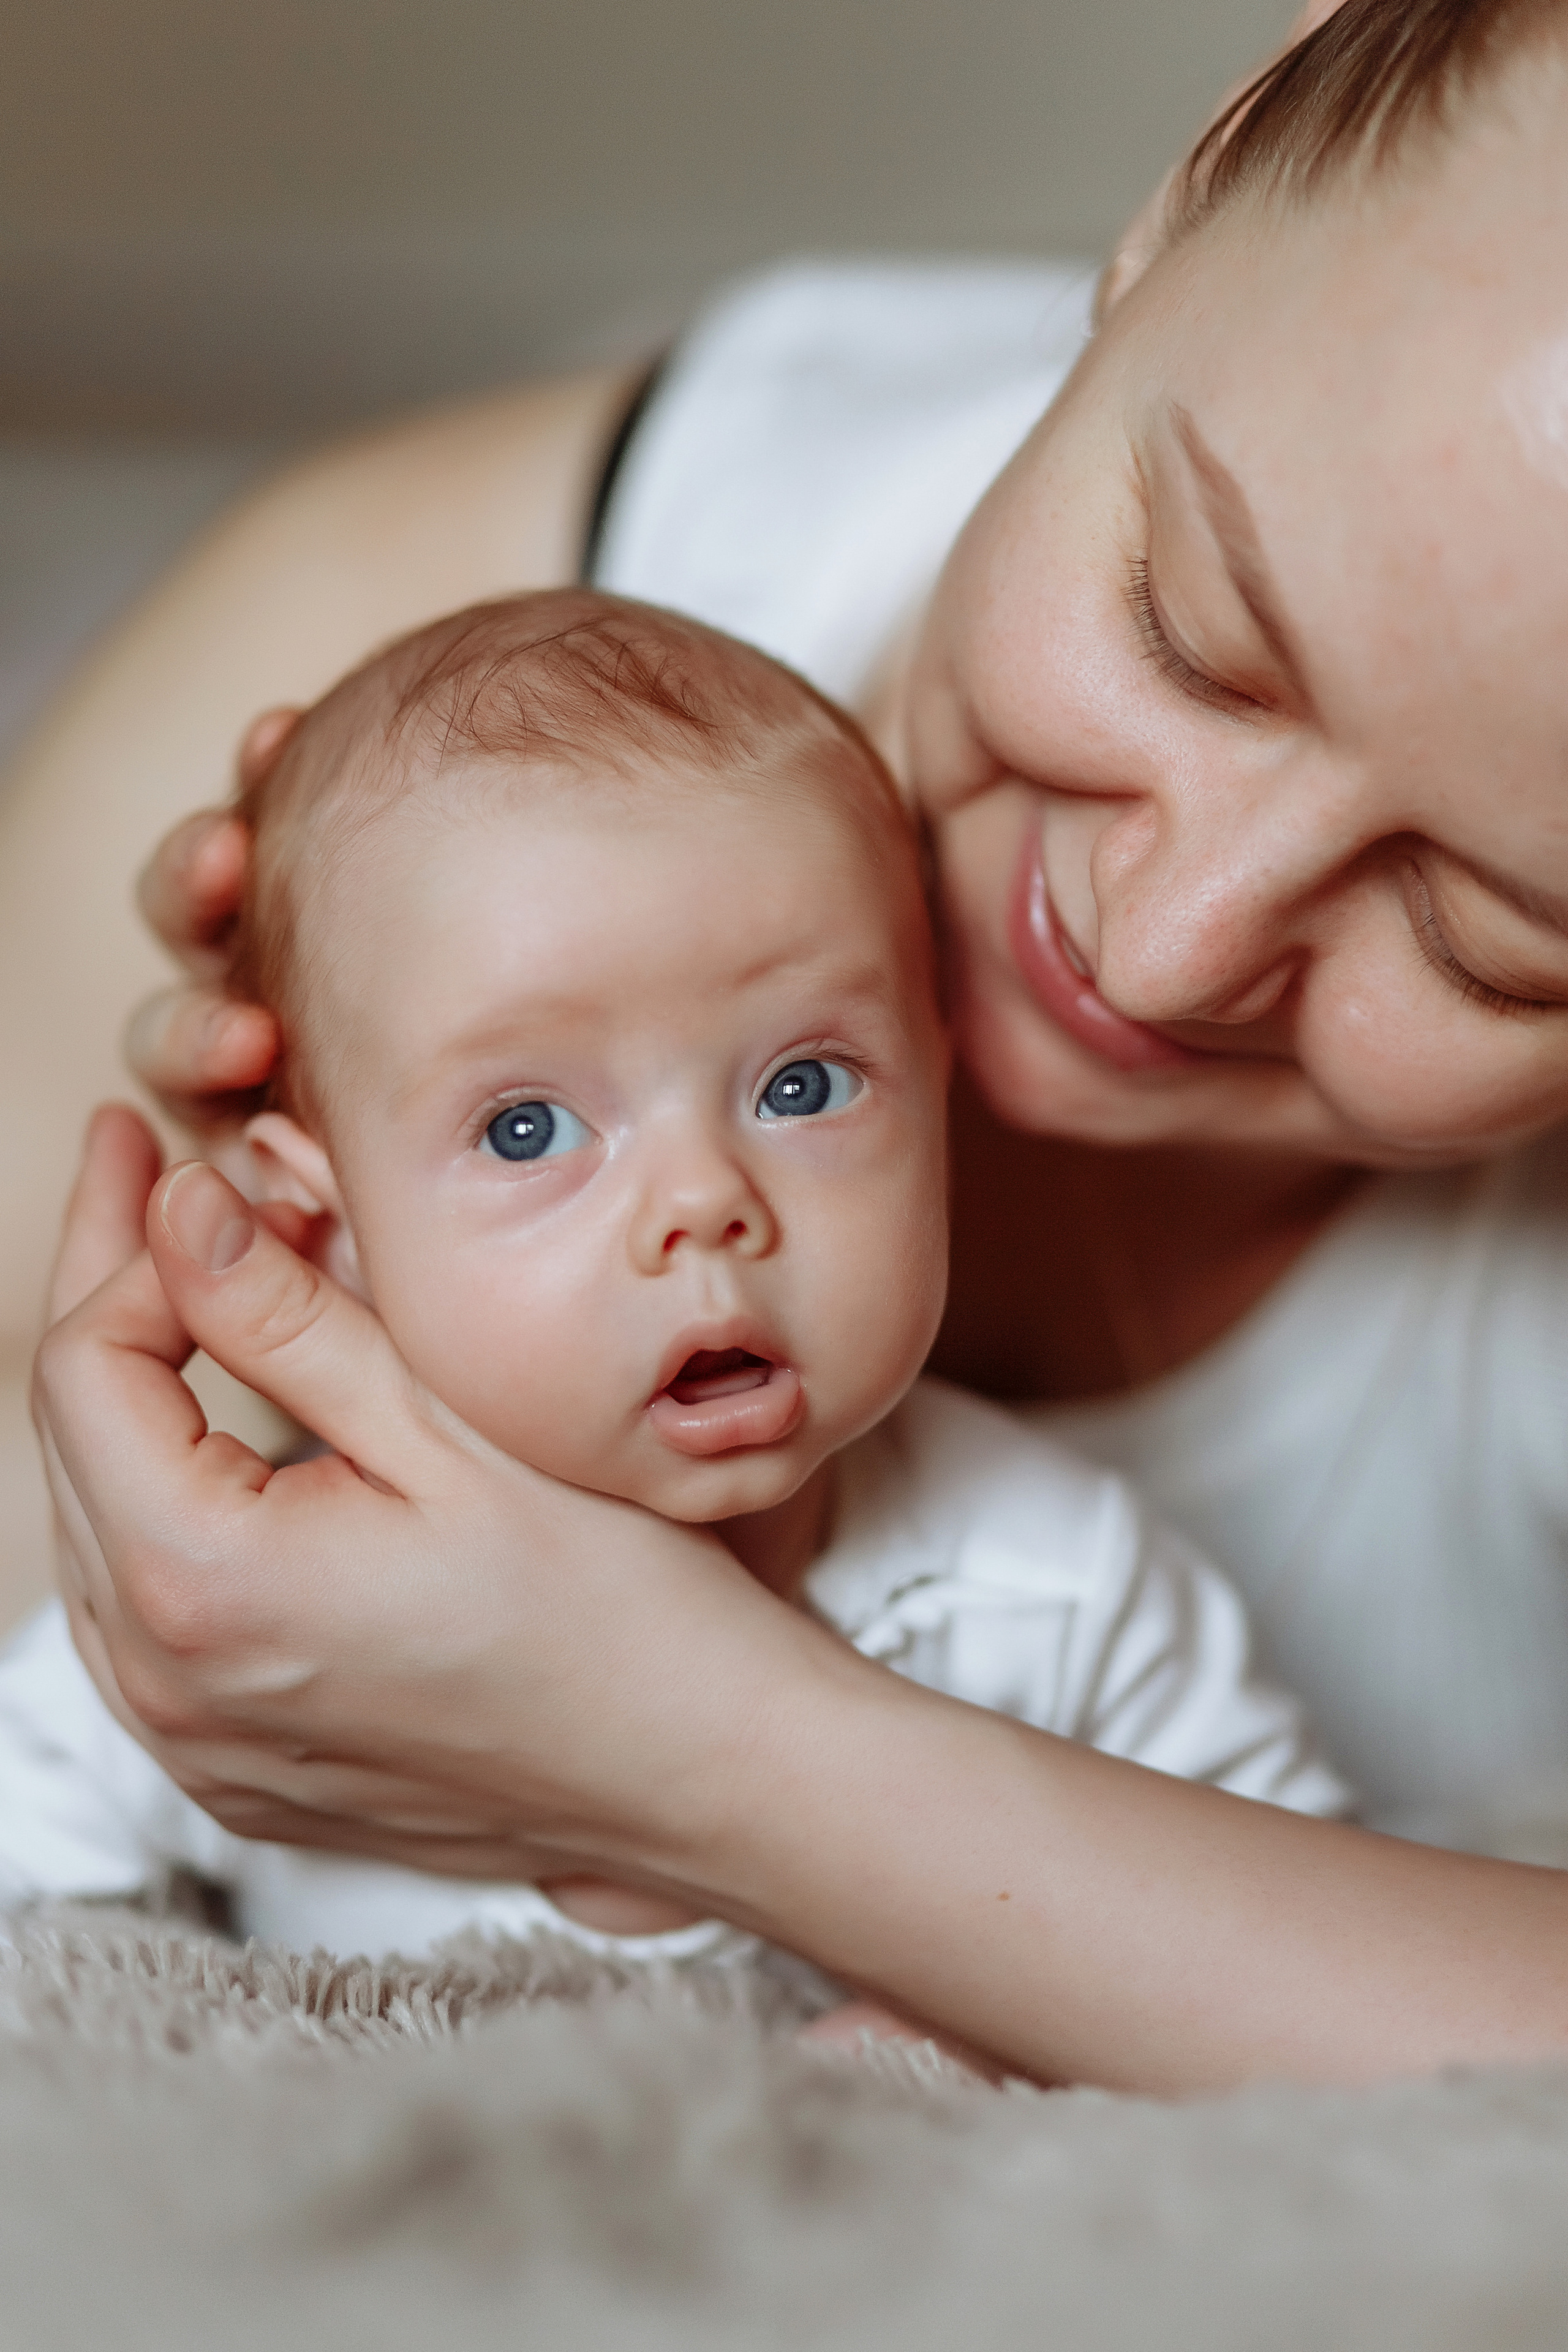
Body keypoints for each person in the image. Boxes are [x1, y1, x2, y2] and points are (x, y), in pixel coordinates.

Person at [19, 0, 1568, 2090]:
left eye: (1487, 941)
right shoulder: (424, 583)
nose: (1174, 938)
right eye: (1191, 629)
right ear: (1200, 177)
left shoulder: (1064, 1574)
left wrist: (706, 1752)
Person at [1, 590, 1344, 2053]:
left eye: (803, 1086)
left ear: (938, 1102)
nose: (704, 1202)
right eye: (526, 1128)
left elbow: (1292, 1929)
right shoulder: (277, 1610)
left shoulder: (1048, 1591)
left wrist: (964, 2040)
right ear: (320, 1228)